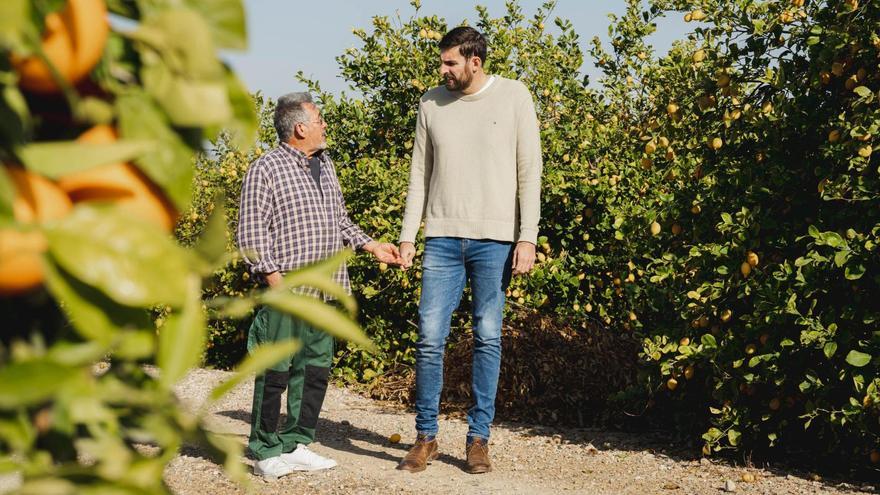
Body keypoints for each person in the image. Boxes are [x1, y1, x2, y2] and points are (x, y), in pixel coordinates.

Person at [396, 26, 543, 474]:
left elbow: (529, 171)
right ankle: (425, 438)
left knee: (488, 337)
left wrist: (528, 236)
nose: (442, 70)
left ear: (474, 62)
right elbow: (419, 174)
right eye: (442, 63)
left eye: (450, 63)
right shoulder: (430, 102)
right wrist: (407, 234)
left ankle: (478, 440)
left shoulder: (515, 96)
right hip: (441, 238)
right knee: (428, 338)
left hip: (495, 239)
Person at [237, 92, 401, 480]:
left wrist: (372, 245)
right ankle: (264, 449)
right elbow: (250, 234)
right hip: (286, 290)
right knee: (275, 372)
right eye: (320, 119)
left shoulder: (325, 165)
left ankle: (296, 443)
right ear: (300, 128)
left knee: (314, 371)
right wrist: (274, 281)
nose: (325, 125)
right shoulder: (266, 168)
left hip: (326, 291)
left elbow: (340, 222)